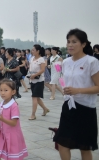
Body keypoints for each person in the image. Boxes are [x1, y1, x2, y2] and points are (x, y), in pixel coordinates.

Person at [53, 29, 99, 160]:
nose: (70, 45)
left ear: (83, 44)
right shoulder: (66, 62)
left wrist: (77, 90)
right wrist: (64, 90)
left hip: (85, 109)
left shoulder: (91, 62)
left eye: (74, 42)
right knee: (62, 143)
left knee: (84, 147)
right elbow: (64, 79)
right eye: (68, 42)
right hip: (68, 107)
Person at [0, 79, 28, 160]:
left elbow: (14, 123)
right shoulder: (1, 103)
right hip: (2, 134)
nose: (2, 93)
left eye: (6, 90)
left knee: (12, 157)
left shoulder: (14, 106)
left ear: (13, 92)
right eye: (1, 90)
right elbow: (0, 117)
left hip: (12, 136)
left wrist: (1, 118)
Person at [28, 45, 50, 120]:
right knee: (37, 98)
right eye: (32, 50)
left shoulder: (41, 59)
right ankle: (45, 109)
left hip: (39, 81)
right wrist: (30, 75)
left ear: (38, 51)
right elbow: (30, 69)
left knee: (34, 97)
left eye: (33, 50)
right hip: (32, 80)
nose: (32, 51)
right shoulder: (31, 59)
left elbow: (42, 70)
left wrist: (35, 75)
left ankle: (33, 114)